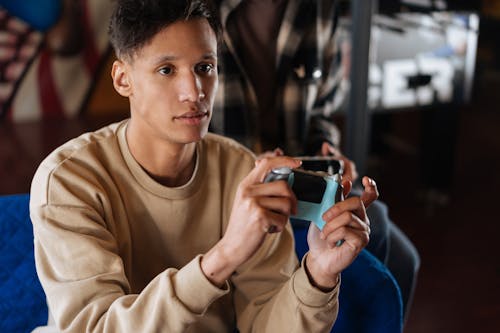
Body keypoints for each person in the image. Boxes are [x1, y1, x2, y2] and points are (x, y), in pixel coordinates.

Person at [29, 0, 378, 332]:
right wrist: (224, 256)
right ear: (123, 80)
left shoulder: (243, 170)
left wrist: (317, 274)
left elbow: (267, 325)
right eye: (166, 70)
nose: (193, 90)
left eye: (204, 68)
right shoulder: (67, 180)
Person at [210, 0, 420, 320]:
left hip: (300, 175)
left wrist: (327, 150)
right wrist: (248, 164)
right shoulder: (199, 10)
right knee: (374, 232)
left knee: (405, 259)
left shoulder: (321, 7)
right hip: (230, 185)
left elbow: (320, 108)